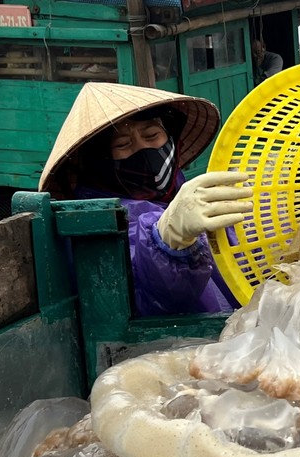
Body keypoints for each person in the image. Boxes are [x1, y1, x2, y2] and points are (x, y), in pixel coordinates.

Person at [38, 82, 253, 316]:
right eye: (123, 144)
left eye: (152, 135)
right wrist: (168, 242)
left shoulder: (183, 195)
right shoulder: (92, 223)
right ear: (99, 161)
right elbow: (152, 296)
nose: (143, 148)